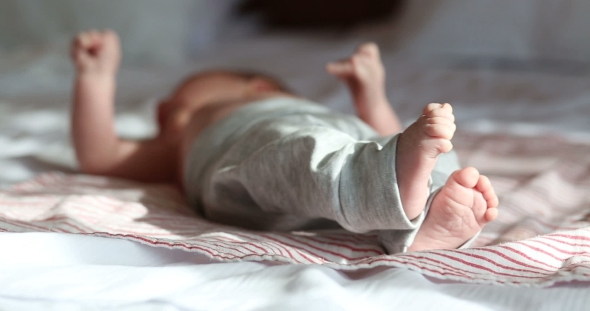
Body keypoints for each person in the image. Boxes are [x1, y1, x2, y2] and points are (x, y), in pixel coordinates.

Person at [70, 30, 499, 254]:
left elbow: (387, 137)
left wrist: (371, 99)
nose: (164, 111)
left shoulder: (277, 105)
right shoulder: (180, 144)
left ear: (257, 88)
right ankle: (401, 193)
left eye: (183, 96)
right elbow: (102, 155)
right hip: (253, 167)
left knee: (428, 152)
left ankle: (429, 219)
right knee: (302, 152)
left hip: (349, 153)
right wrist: (96, 77)